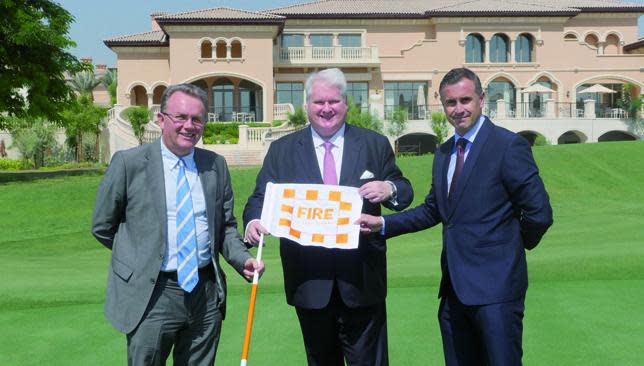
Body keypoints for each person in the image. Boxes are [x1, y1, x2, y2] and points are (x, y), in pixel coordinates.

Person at [358, 68, 553, 366]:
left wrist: (510, 247)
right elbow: (434, 210)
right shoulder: (446, 151)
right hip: (453, 292)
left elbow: (540, 213)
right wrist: (383, 224)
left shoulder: (508, 146)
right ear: (442, 104)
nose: (458, 109)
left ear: (481, 99)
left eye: (465, 100)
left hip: (497, 291)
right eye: (451, 103)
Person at [243, 68, 413, 366]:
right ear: (306, 105)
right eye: (319, 102)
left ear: (346, 104)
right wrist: (253, 221)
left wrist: (388, 188)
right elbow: (261, 197)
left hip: (362, 280)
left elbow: (405, 191)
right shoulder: (282, 150)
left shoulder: (374, 144)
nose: (326, 109)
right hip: (309, 282)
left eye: (334, 101)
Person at [91, 83, 264, 366]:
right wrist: (138, 257)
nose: (189, 126)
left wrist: (241, 258)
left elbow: (225, 227)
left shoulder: (215, 165)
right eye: (181, 117)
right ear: (161, 119)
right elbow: (102, 226)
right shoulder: (129, 163)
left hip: (205, 293)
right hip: (152, 293)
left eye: (197, 119)